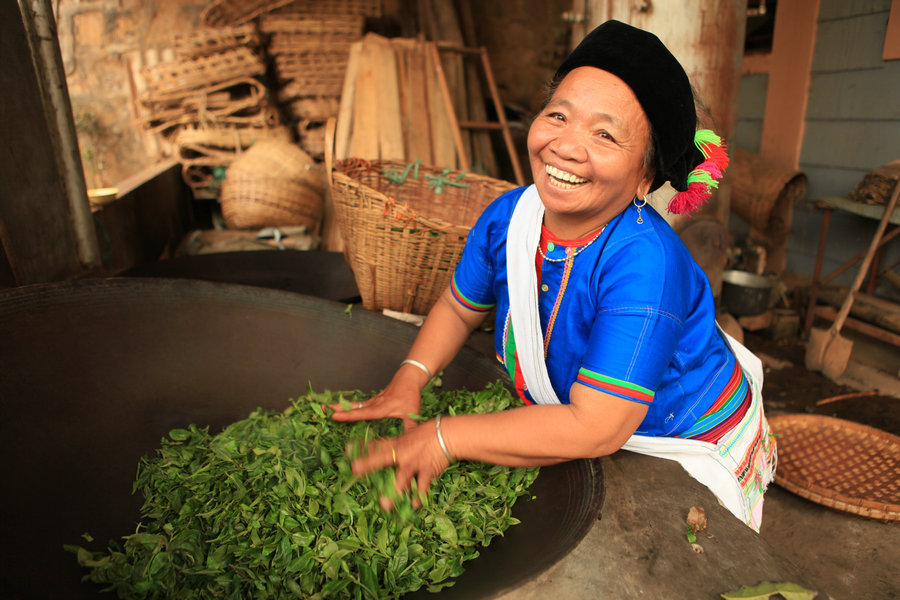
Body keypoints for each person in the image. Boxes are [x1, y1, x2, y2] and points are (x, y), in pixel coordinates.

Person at [331, 20, 777, 531]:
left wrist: (442, 437)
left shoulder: (647, 266)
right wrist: (411, 377)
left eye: (604, 134)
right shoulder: (508, 218)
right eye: (558, 115)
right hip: (589, 414)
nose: (566, 145)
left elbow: (595, 428)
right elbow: (458, 308)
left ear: (645, 178)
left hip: (676, 435)